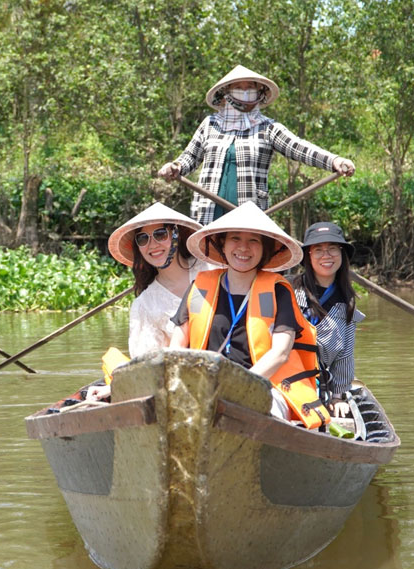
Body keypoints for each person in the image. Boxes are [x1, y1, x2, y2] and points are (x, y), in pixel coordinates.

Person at [169, 201, 329, 428]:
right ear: (222, 244)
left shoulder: (278, 290)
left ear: (265, 249)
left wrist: (239, 386)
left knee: (248, 412)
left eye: (253, 240)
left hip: (264, 386)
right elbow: (177, 346)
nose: (243, 248)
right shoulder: (200, 286)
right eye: (235, 238)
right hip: (204, 384)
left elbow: (281, 353)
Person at [157, 64, 356, 225]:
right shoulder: (210, 124)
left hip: (248, 216)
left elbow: (299, 148)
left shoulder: (267, 128)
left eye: (249, 88)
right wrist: (175, 167)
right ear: (226, 92)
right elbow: (189, 157)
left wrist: (334, 160)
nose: (244, 93)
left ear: (259, 92)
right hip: (208, 213)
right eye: (238, 88)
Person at [108, 202, 205, 358]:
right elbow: (146, 362)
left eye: (160, 234)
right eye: (143, 239)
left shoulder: (210, 269)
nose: (152, 245)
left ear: (176, 235)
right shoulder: (145, 305)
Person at [290, 222, 364, 418]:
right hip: (286, 380)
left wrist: (337, 397)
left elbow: (345, 355)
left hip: (318, 385)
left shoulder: (346, 301)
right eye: (318, 250)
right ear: (308, 256)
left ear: (342, 255)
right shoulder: (288, 289)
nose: (326, 256)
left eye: (332, 249)